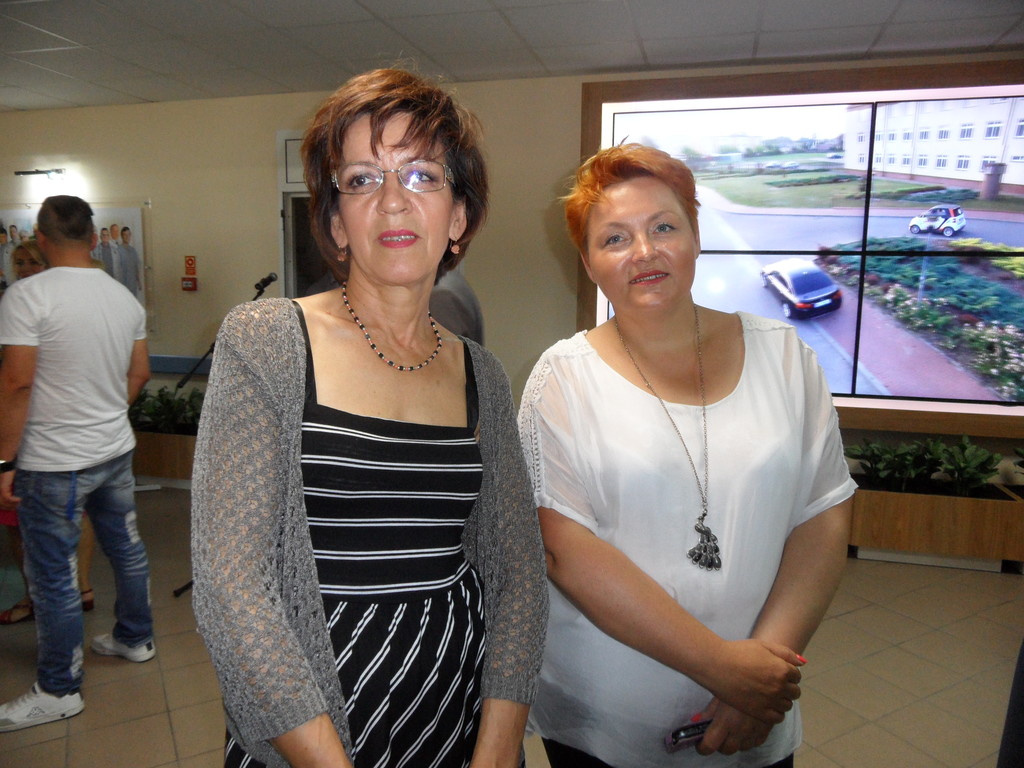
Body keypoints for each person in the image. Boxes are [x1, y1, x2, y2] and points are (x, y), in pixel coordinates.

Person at [191, 68, 547, 768]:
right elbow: (232, 587)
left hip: (453, 707)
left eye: (421, 176)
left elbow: (518, 573)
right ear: (336, 223)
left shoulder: (482, 374)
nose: (391, 200)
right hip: (313, 715)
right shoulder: (267, 342)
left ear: (458, 217)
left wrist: (499, 745)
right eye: (361, 179)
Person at [517, 144, 857, 768]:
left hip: (759, 700)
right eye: (614, 238)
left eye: (663, 227)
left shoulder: (784, 355)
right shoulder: (560, 379)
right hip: (611, 716)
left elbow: (823, 514)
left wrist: (760, 678)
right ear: (589, 263)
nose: (643, 252)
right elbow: (564, 548)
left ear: (696, 237)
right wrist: (724, 667)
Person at [0, 195, 155, 732]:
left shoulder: (27, 295)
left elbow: (16, 382)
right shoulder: (123, 297)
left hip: (52, 459)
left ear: (41, 239)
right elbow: (140, 373)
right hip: (114, 449)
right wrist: (106, 414)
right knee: (126, 549)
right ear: (93, 239)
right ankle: (136, 638)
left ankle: (59, 689)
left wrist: (4, 459)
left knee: (53, 575)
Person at [0, 240, 97, 626]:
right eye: (19, 262)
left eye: (33, 262)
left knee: (62, 512)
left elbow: (19, 379)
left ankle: (71, 590)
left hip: (46, 424)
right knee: (22, 517)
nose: (25, 269)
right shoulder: (19, 302)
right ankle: (42, 593)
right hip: (43, 421)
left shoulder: (46, 305)